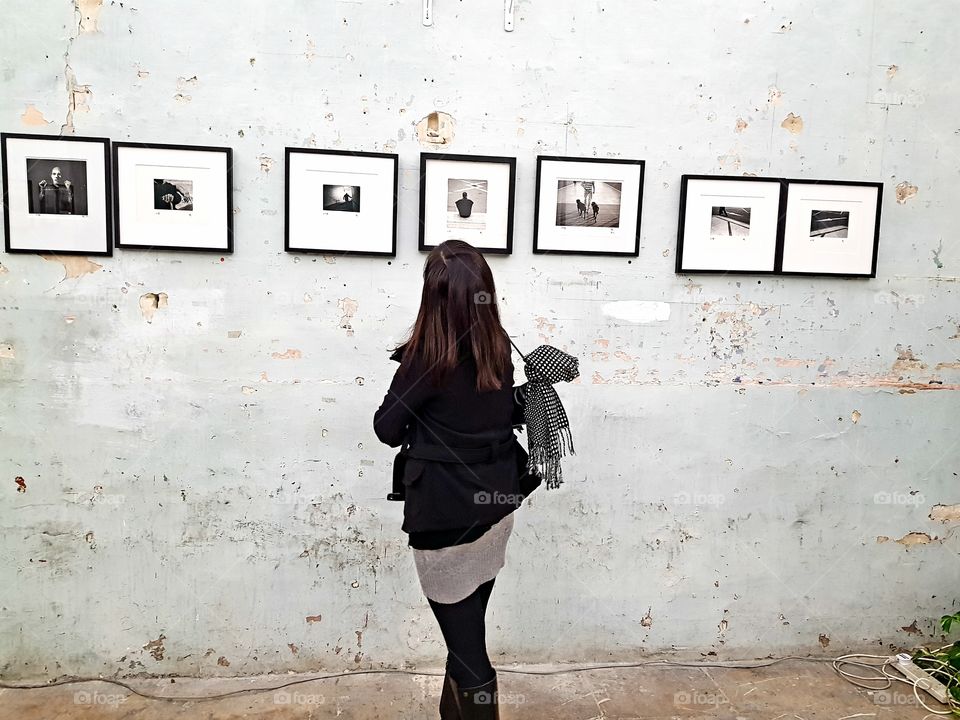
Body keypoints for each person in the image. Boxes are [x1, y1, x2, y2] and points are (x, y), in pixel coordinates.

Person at [373, 240, 529, 719]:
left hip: (444, 520)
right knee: (466, 635)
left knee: (467, 653)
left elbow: (386, 428)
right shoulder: (497, 348)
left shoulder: (427, 359)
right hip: (496, 510)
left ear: (432, 295)